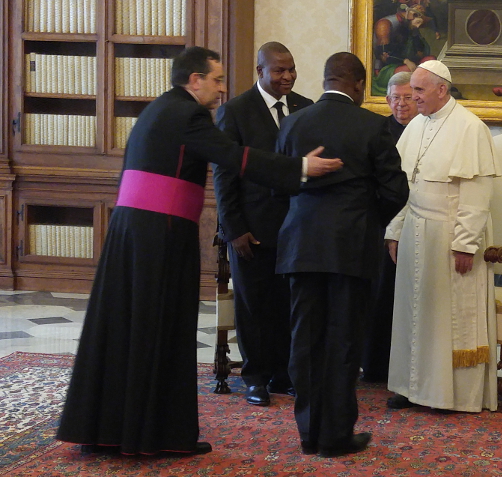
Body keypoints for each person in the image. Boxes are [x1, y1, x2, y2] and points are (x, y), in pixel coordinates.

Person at [56, 46, 343, 456]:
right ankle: (155, 436)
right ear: (194, 80)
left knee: (128, 329)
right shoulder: (188, 115)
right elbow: (234, 158)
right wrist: (299, 168)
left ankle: (110, 428)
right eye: (216, 79)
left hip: (135, 232)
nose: (222, 88)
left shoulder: (160, 109)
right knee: (160, 327)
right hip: (161, 234)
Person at [275, 52, 409, 457]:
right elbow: (396, 191)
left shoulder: (293, 122)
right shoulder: (372, 126)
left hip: (300, 245)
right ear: (360, 85)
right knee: (343, 340)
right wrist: (367, 220)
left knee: (305, 339)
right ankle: (335, 435)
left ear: (324, 80)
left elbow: (279, 182)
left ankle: (309, 433)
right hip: (351, 248)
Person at [385, 60, 500, 413]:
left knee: (447, 317)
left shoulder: (470, 127)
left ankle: (448, 395)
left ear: (441, 89)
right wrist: (395, 230)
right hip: (416, 230)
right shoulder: (417, 125)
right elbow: (404, 184)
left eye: (419, 90)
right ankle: (411, 387)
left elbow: (477, 193)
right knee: (413, 312)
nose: (412, 97)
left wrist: (465, 243)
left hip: (450, 234)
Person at [212, 42, 313, 406]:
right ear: (260, 72)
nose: (287, 77)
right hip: (251, 229)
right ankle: (255, 377)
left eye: (291, 69)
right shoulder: (236, 112)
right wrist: (234, 228)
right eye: (279, 71)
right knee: (254, 307)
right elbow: (224, 176)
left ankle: (285, 374)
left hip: (296, 228)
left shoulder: (306, 107)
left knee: (291, 304)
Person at [361, 71, 418, 382]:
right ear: (387, 100)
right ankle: (376, 365)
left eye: (408, 97)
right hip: (385, 223)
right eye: (396, 98)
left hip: (420, 222)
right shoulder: (378, 130)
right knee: (381, 296)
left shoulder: (426, 128)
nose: (402, 105)